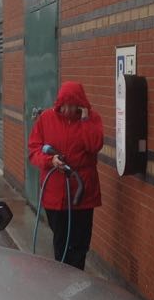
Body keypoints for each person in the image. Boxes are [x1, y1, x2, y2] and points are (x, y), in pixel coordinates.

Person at [28, 81, 103, 270]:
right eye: (65, 105)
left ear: (81, 104)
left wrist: (85, 121)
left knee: (79, 244)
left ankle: (76, 278)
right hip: (55, 195)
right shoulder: (46, 119)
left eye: (73, 105)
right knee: (61, 242)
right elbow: (33, 151)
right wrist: (50, 160)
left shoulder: (92, 119)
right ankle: (62, 279)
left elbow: (94, 146)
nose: (68, 110)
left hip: (82, 195)